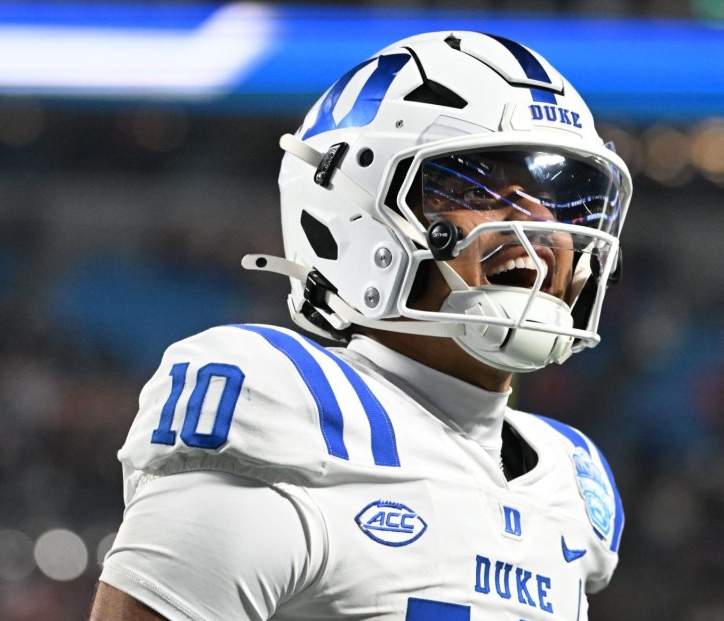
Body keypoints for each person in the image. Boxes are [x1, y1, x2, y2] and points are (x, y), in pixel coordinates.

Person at [90, 30, 632, 620]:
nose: (539, 225)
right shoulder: (290, 413)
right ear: (356, 210)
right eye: (476, 183)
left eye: (562, 198)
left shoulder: (569, 481)